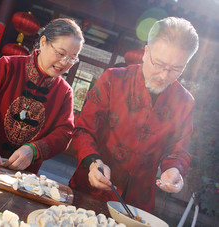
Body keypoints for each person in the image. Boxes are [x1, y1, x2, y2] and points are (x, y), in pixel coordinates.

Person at [69, 17, 199, 212]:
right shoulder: (113, 79)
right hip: (92, 189)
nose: (164, 75)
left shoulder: (184, 102)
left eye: (175, 70)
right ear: (146, 53)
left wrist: (174, 170)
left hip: (137, 203)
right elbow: (83, 130)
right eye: (159, 64)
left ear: (185, 66)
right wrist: (94, 162)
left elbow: (178, 150)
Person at [0, 18, 84, 173]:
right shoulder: (7, 66)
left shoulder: (64, 92)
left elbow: (64, 133)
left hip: (21, 175)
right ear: (43, 42)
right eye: (60, 53)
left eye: (72, 58)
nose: (64, 62)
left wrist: (34, 150)